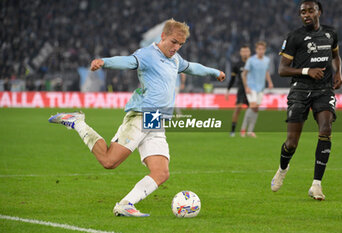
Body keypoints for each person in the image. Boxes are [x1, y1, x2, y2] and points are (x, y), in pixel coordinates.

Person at [48, 19, 225, 217]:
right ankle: (78, 122)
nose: (176, 47)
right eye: (174, 42)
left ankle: (126, 204)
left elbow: (192, 67)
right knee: (109, 161)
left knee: (161, 173)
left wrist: (214, 72)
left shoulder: (175, 59)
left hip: (157, 120)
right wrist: (105, 62)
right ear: (163, 36)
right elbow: (128, 61)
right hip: (141, 114)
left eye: (181, 44)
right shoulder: (147, 54)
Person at [270, 0, 342, 201]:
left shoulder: (331, 33)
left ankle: (316, 185)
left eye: (311, 10)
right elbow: (282, 69)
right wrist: (307, 71)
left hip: (324, 90)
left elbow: (336, 56)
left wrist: (338, 73)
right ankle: (282, 169)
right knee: (292, 143)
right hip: (300, 90)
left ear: (319, 12)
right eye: (303, 12)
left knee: (326, 128)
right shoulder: (294, 37)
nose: (306, 14)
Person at [240, 41, 274, 137]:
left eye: (262, 49)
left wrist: (270, 82)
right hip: (251, 87)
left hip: (261, 88)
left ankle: (250, 131)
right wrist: (246, 87)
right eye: (259, 49)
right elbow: (244, 74)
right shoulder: (251, 60)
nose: (261, 51)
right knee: (253, 106)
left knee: (256, 109)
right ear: (256, 50)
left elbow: (266, 72)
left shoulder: (266, 60)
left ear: (265, 50)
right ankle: (243, 129)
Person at [226, 45, 251, 137]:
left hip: (252, 89)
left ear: (249, 52)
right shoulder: (237, 65)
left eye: (246, 51)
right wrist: (228, 90)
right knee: (238, 108)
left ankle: (248, 130)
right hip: (241, 89)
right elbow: (232, 79)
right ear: (240, 53)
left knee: (252, 110)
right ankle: (232, 131)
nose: (245, 53)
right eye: (243, 51)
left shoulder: (253, 63)